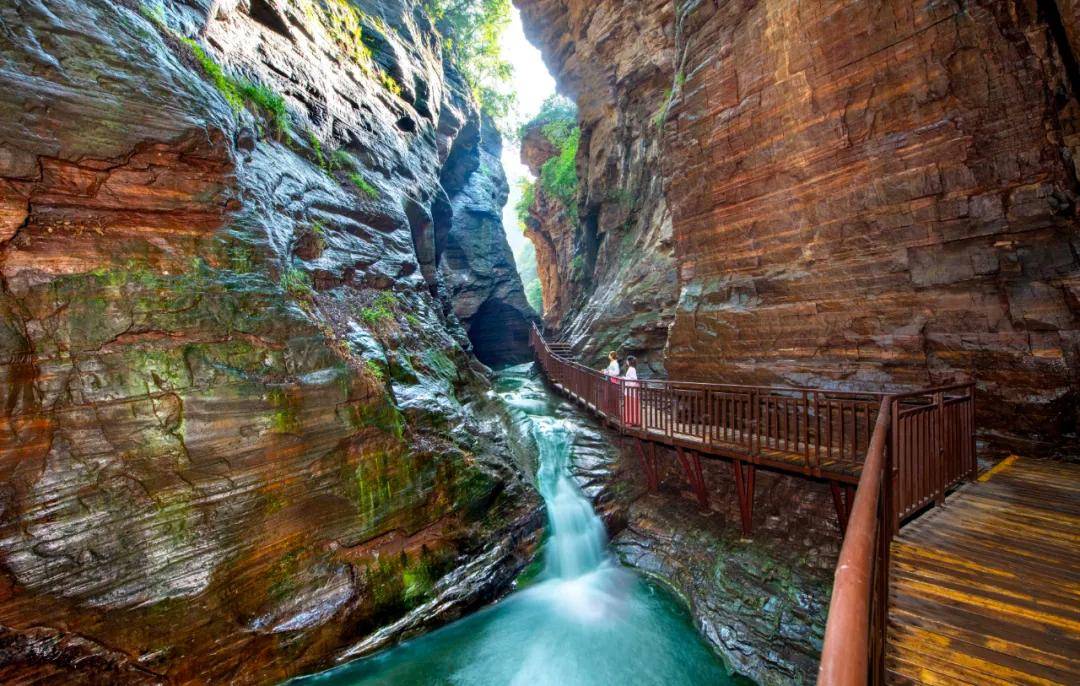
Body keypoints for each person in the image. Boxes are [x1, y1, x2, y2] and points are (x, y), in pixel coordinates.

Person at [622, 355, 641, 426]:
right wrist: (625, 378)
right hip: (629, 390)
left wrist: (625, 378)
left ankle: (631, 421)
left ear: (629, 362)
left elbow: (634, 379)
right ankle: (631, 421)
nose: (626, 362)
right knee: (630, 405)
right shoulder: (631, 368)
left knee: (630, 406)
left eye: (627, 360)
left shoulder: (632, 369)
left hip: (630, 390)